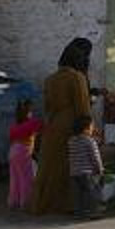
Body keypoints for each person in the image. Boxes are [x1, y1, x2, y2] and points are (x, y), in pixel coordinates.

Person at [31, 38, 93, 215]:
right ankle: (68, 205)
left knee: (49, 167)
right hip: (71, 126)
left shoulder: (50, 79)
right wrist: (88, 131)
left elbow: (47, 107)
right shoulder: (77, 77)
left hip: (53, 125)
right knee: (69, 167)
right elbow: (83, 108)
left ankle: (44, 204)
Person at [7, 100, 44, 210]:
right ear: (28, 113)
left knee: (15, 178)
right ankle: (25, 203)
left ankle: (13, 202)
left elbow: (11, 138)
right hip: (24, 152)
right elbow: (43, 127)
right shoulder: (32, 123)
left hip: (12, 151)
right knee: (26, 178)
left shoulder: (14, 126)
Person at [67, 115, 103, 219]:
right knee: (92, 192)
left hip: (74, 173)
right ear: (85, 128)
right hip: (87, 172)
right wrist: (100, 168)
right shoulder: (90, 141)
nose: (93, 128)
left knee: (78, 195)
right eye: (92, 126)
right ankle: (94, 212)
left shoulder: (71, 141)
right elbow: (95, 156)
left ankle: (79, 213)